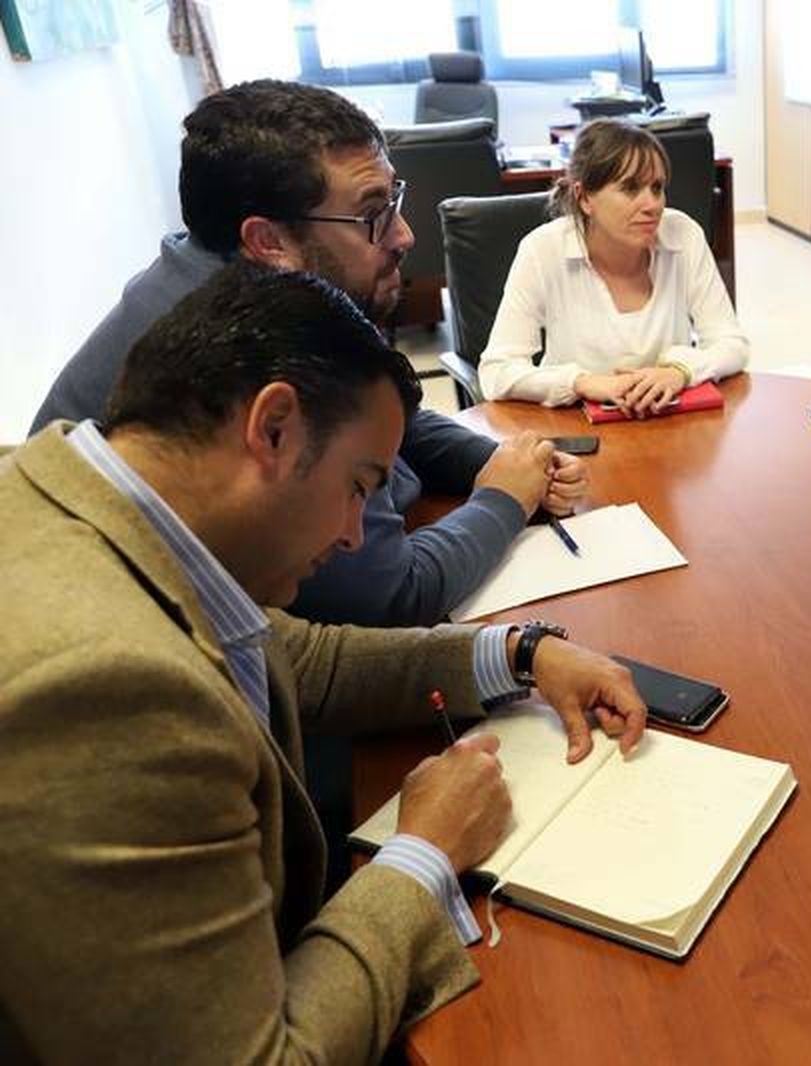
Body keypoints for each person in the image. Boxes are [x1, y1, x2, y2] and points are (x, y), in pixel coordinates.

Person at [0, 263, 647, 1062]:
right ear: (273, 429)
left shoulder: (75, 492)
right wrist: (425, 855)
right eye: (359, 486)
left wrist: (517, 652)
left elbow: (292, 655)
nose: (352, 534)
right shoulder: (104, 692)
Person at [30, 78, 584, 628]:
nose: (403, 236)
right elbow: (390, 595)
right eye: (373, 214)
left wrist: (495, 462)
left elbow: (388, 415)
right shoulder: (246, 346)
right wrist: (503, 498)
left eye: (393, 199)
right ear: (268, 241)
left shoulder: (249, 275)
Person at [478, 118, 749, 416]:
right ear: (584, 198)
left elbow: (731, 343)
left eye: (657, 188)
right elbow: (497, 371)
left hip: (669, 422)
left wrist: (681, 371)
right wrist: (582, 383)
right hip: (574, 426)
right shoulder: (542, 250)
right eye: (630, 188)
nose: (652, 205)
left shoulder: (684, 234)